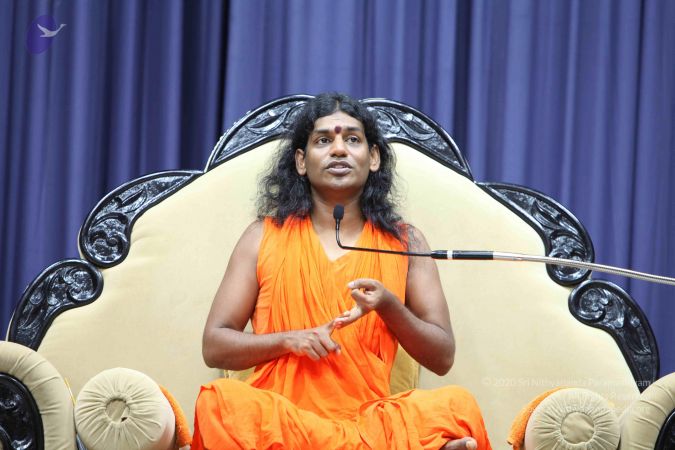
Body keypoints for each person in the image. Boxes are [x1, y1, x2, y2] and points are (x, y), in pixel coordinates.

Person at [193, 93, 492, 450]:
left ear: (373, 157)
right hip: (283, 424)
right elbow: (214, 345)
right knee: (218, 401)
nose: (338, 150)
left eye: (352, 139)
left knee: (459, 406)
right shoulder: (262, 236)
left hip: (370, 424)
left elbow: (442, 357)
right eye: (323, 140)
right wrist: (290, 340)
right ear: (301, 161)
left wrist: (389, 306)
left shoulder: (406, 242)